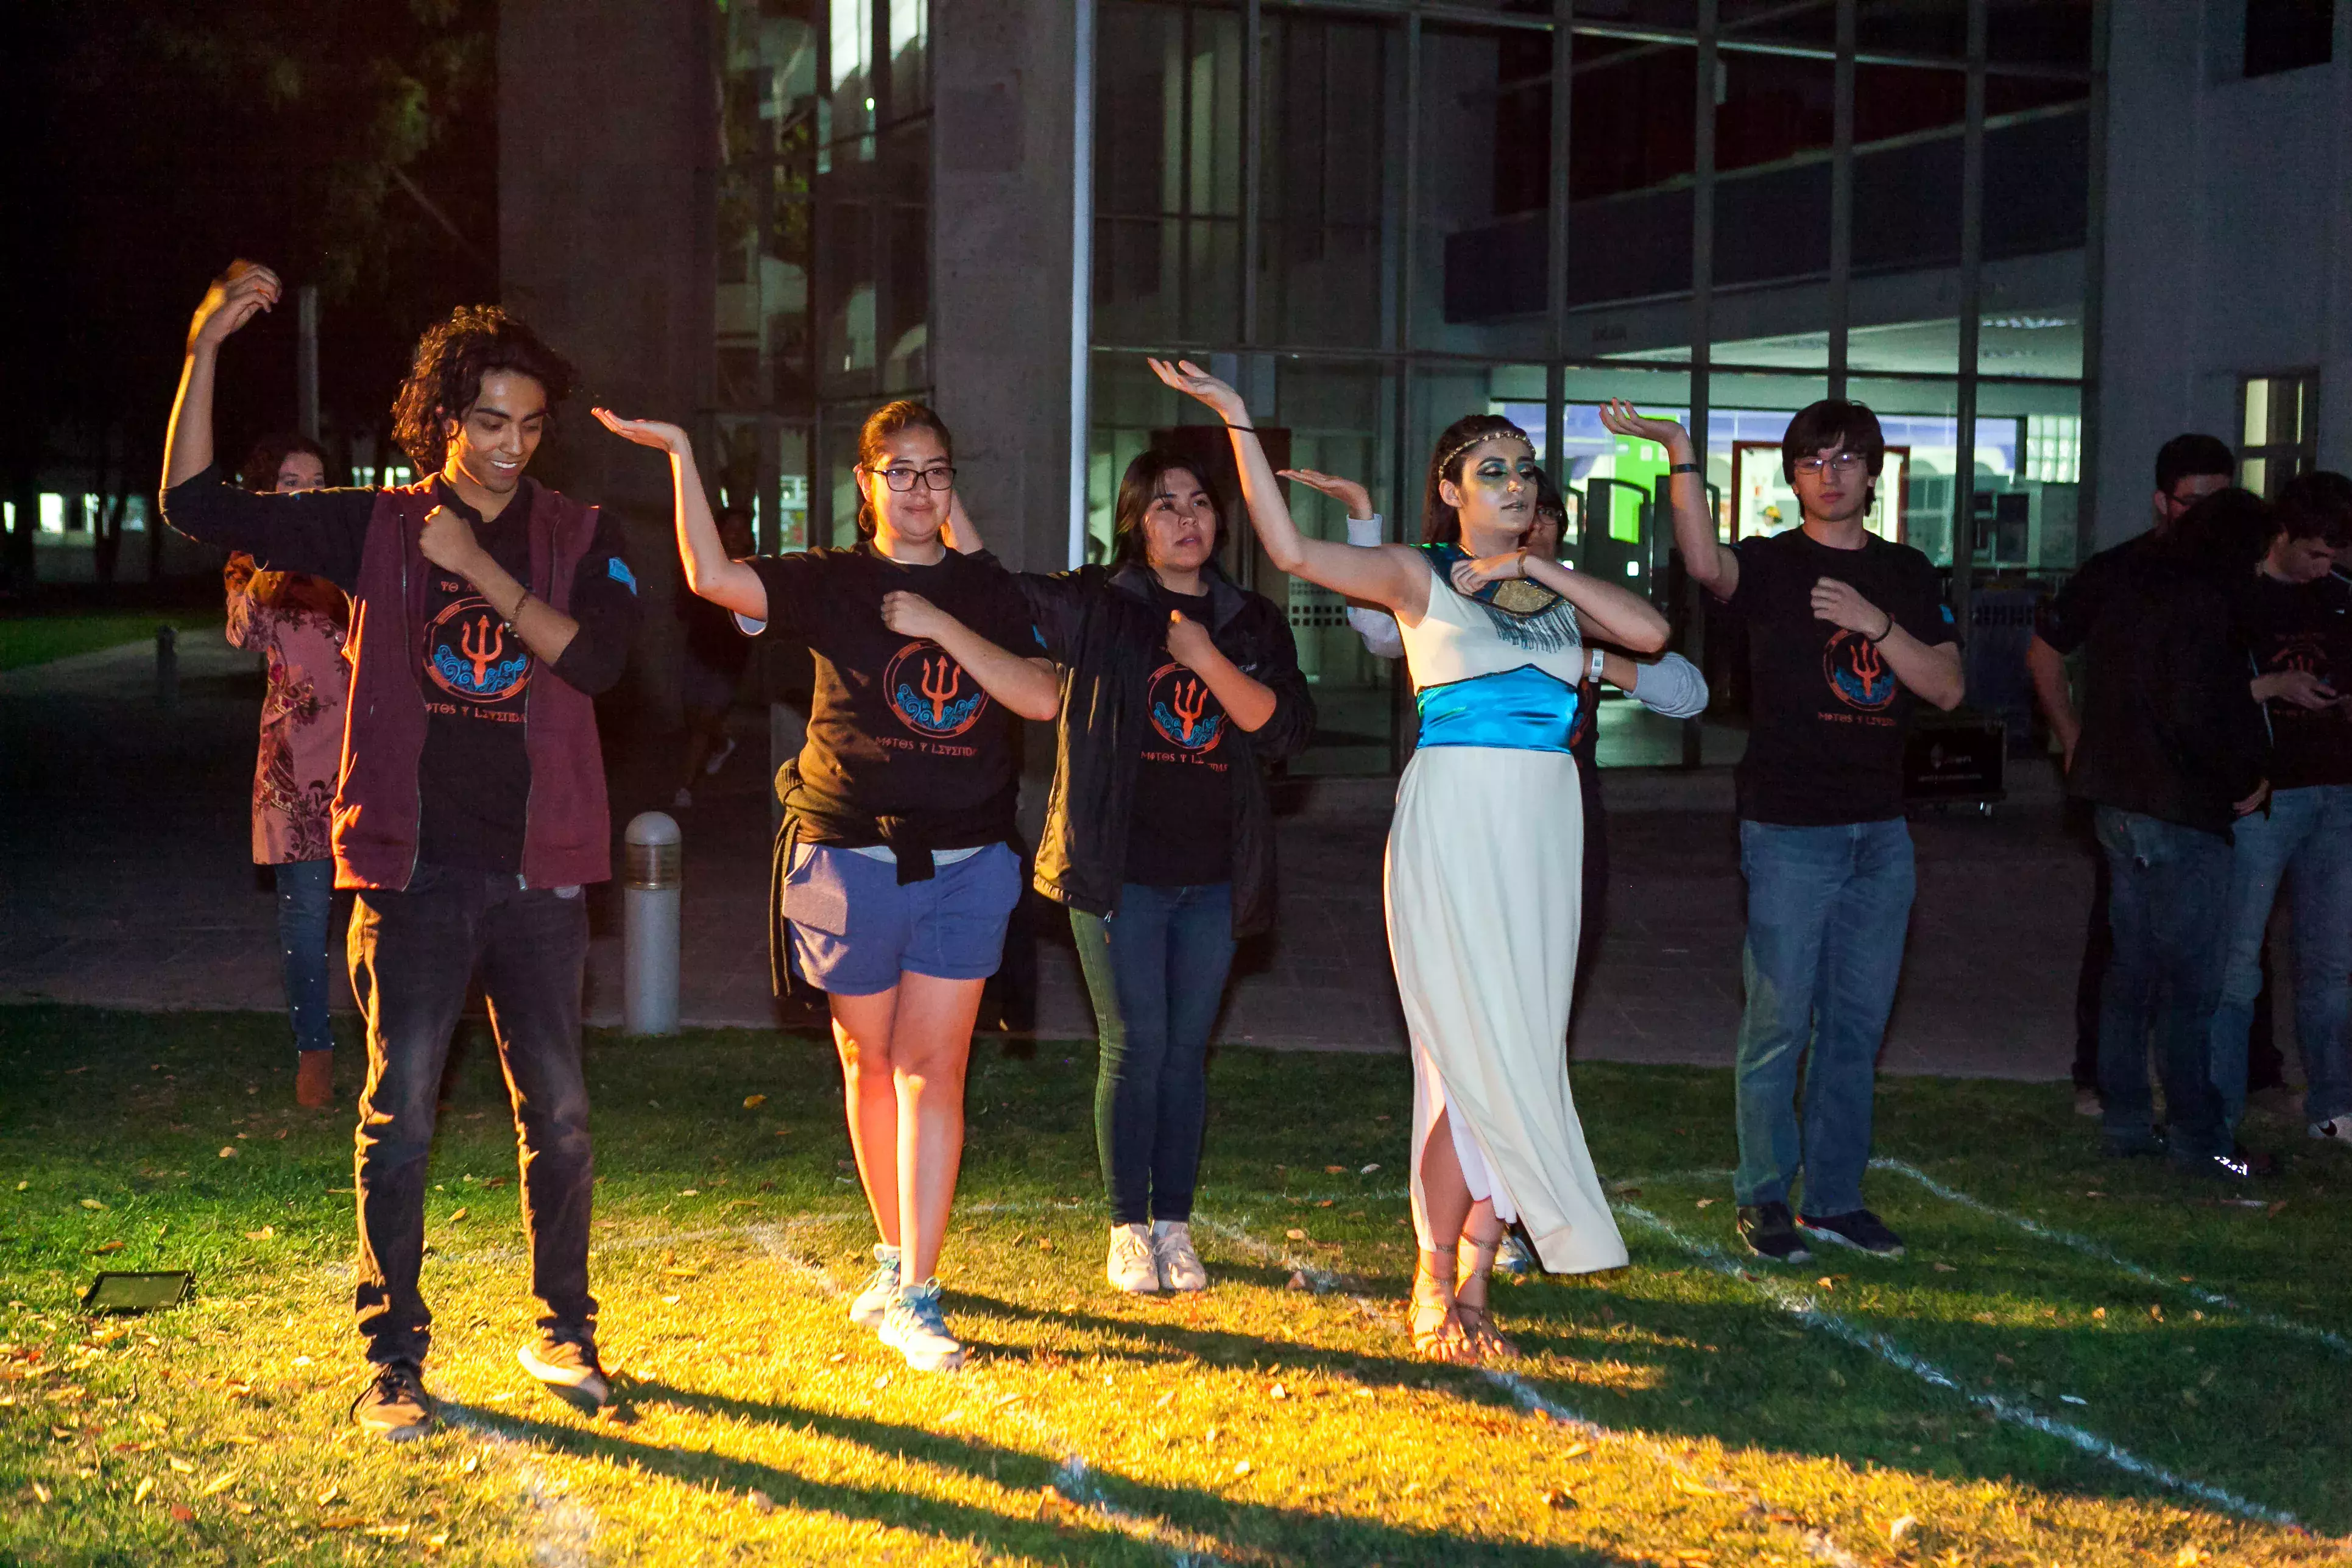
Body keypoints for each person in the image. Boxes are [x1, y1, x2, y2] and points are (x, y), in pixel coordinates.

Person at [162, 262, 641, 1441]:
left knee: (564, 1113)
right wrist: (205, 349)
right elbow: (193, 503)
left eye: (530, 425)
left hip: (538, 868)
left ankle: (564, 1327)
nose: (511, 446)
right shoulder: (375, 520)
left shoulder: (583, 531)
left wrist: (477, 567)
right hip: (413, 870)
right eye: (488, 422)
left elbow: (597, 661)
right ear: (441, 421)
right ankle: (394, 1356)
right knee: (402, 1115)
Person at [1152, 357, 1668, 1363]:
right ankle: (1437, 1281)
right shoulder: (1415, 574)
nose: (1514, 486)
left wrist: (1539, 568)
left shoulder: (1553, 595)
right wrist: (1239, 421)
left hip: (1546, 832)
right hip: (1453, 824)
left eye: (1523, 470)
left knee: (1523, 1053)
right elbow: (1292, 548)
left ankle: (1478, 1278)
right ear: (1449, 488)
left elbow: (1650, 630)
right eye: (1491, 470)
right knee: (1460, 1060)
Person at [596, 399, 1058, 1372]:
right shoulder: (831, 580)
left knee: (936, 1068)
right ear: (867, 484)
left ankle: (922, 1294)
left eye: (937, 471)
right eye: (902, 472)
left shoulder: (981, 587)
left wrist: (938, 621)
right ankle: (896, 1257)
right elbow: (712, 578)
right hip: (839, 856)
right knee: (866, 1061)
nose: (922, 489)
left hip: (967, 862)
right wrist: (685, 448)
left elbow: (1039, 694)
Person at [953, 451, 1315, 1293]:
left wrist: (1203, 658)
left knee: (1186, 1051)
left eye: (1198, 504)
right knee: (1135, 1043)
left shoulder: (1249, 621)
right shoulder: (1102, 609)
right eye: (1163, 507)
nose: (1185, 520)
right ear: (1135, 523)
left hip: (1216, 873)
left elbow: (1285, 731)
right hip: (1120, 871)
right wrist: (942, 504)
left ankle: (1175, 1226)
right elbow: (996, 589)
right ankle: (1126, 1227)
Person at [1634, 397, 1964, 1265]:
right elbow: (1705, 562)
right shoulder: (1774, 567)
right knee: (1779, 1021)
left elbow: (1946, 688)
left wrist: (1875, 624)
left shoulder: (1906, 570)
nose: (1830, 473)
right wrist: (1678, 456)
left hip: (1881, 832)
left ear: (1873, 472)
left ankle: (1836, 1198)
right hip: (1788, 827)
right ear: (1791, 475)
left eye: (1847, 459)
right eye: (1813, 460)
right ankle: (1764, 1192)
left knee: (1855, 1024)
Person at [1292, 464, 1709, 1001]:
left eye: (1542, 513)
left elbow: (1685, 689)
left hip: (1561, 804)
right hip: (1472, 805)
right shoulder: (1453, 595)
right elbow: (1378, 631)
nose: (1529, 525)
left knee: (1547, 980)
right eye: (1514, 507)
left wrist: (1589, 662)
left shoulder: (1571, 603)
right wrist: (1363, 521)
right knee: (1468, 980)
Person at [2056, 487, 2277, 1179]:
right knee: (2190, 985)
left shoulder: (2138, 583)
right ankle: (2198, 1133)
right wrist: (2244, 773)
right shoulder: (2207, 603)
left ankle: (2127, 1122)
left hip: (2119, 799)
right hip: (2177, 808)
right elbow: (2200, 711)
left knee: (2132, 973)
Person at [2030, 434, 2247, 1117]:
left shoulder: (2210, 578)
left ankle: (2141, 1107)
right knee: (2158, 964)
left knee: (2154, 960)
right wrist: (2072, 739)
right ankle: (2169, 1116)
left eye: (2219, 504)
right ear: (2162, 501)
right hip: (2155, 795)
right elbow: (2048, 653)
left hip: (2139, 791)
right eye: (2192, 503)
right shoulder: (2133, 572)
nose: (2204, 518)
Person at [2209, 471, 2352, 1144]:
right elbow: (2205, 691)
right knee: (2237, 962)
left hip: (2337, 792)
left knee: (2330, 962)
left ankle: (2332, 1106)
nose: (2325, 568)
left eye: (2335, 556)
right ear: (2283, 535)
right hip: (2265, 799)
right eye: (2316, 553)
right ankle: (2217, 1112)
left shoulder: (2342, 601)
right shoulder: (2237, 597)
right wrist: (2274, 686)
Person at [223, 432, 350, 1109]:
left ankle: (400, 1048)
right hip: (295, 763)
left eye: (318, 479)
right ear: (269, 491)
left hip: (365, 750)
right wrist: (276, 556)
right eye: (293, 480)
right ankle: (315, 1056)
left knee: (392, 910)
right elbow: (242, 633)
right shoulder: (250, 560)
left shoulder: (351, 551)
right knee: (305, 917)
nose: (309, 490)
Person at [674, 507, 757, 810]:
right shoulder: (704, 564)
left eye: (741, 530)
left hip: (729, 659)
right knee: (695, 717)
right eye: (729, 529)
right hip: (699, 651)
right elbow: (683, 609)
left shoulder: (752, 569)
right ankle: (722, 742)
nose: (735, 536)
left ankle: (684, 787)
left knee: (703, 721)